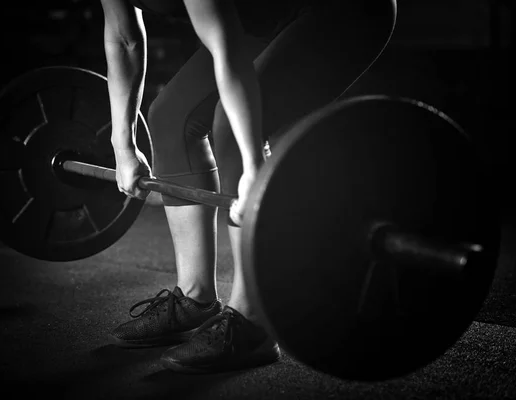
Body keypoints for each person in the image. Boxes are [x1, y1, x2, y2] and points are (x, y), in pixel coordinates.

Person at [99, 0, 397, 373]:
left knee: (232, 127)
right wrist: (122, 143)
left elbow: (226, 52)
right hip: (263, 15)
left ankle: (254, 322)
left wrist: (254, 165)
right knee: (171, 117)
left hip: (339, 11)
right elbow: (123, 40)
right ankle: (195, 299)